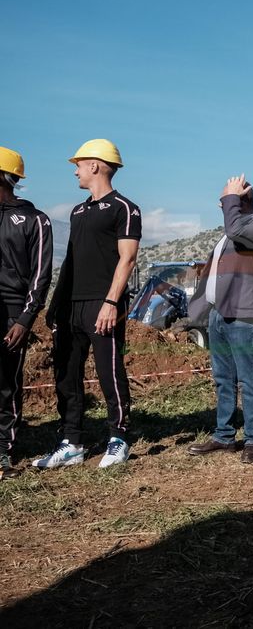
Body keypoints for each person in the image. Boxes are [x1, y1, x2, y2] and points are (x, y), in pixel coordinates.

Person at [37, 139, 140, 470]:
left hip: (103, 301)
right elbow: (70, 262)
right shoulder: (78, 211)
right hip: (72, 305)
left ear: (95, 165)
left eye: (78, 164)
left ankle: (119, 438)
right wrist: (55, 307)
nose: (75, 170)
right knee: (67, 373)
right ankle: (72, 443)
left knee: (109, 371)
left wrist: (112, 302)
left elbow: (128, 259)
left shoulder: (125, 207)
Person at [186, 175, 253, 464]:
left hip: (244, 315)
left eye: (226, 197)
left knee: (248, 379)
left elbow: (236, 229)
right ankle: (224, 436)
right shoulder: (229, 232)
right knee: (223, 378)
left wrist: (231, 199)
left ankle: (252, 439)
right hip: (219, 315)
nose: (221, 202)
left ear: (241, 198)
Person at [0, 146, 53, 479]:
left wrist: (24, 319)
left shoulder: (36, 220)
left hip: (12, 313)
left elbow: (40, 275)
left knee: (5, 383)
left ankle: (2, 452)